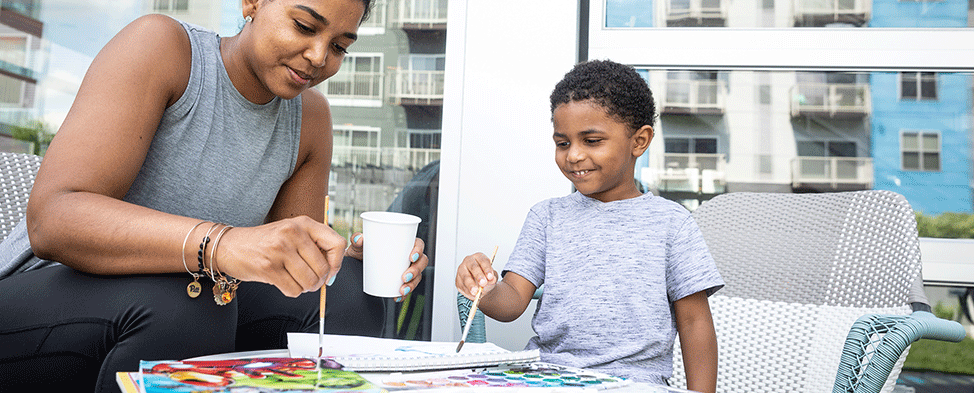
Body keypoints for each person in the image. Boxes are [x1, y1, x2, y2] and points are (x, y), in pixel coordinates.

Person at [0, 0, 428, 391]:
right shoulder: (163, 47)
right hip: (42, 303)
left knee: (350, 294)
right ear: (252, 3)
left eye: (339, 46)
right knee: (193, 294)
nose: (318, 56)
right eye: (303, 26)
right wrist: (221, 244)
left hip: (190, 315)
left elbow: (292, 277)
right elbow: (52, 219)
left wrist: (335, 262)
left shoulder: (310, 118)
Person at [455, 60, 724, 393]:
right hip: (546, 378)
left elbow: (695, 322)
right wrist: (486, 287)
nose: (574, 156)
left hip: (635, 384)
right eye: (563, 143)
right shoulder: (546, 217)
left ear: (639, 141)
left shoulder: (673, 223)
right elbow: (511, 303)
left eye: (592, 140)